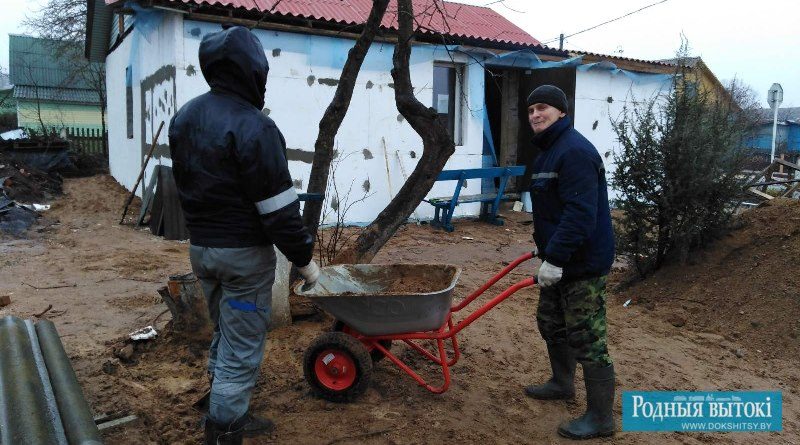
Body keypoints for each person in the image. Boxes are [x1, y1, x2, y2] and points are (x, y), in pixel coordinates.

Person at [168, 25, 319, 445]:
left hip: (202, 252)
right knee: (241, 348)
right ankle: (225, 430)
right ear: (254, 71)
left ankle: (222, 407)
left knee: (225, 331)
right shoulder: (255, 127)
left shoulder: (185, 117)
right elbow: (279, 212)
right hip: (244, 259)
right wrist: (305, 260)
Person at [523, 85, 616, 439]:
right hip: (559, 260)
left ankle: (601, 419)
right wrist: (544, 251)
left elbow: (580, 214)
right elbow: (552, 212)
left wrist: (556, 257)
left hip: (582, 263)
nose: (535, 115)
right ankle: (562, 383)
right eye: (531, 110)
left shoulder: (574, 151)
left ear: (562, 112)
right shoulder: (548, 151)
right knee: (552, 322)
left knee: (587, 336)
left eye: (542, 107)